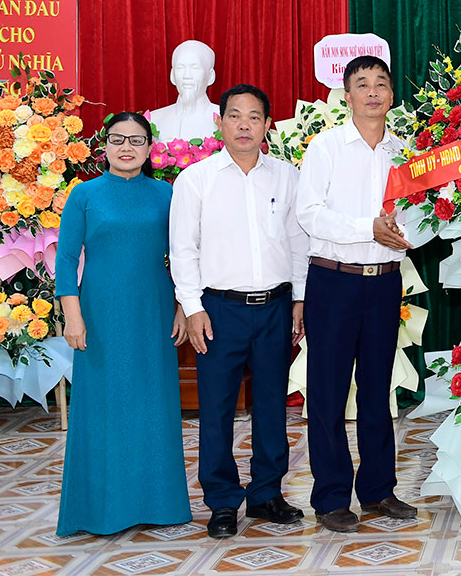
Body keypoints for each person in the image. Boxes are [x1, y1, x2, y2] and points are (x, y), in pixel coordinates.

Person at [169, 84, 309, 538]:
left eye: (254, 116)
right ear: (221, 122)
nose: (244, 124)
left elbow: (297, 241)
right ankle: (223, 501)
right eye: (235, 115)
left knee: (272, 405)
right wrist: (192, 307)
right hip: (217, 310)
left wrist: (299, 299)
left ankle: (267, 494)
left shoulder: (287, 176)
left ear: (268, 124)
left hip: (274, 307)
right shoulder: (196, 179)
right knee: (216, 408)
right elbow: (183, 249)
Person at [55, 112, 191, 536]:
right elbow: (64, 260)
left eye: (136, 140)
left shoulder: (166, 195)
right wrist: (72, 316)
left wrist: (184, 307)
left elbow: (184, 255)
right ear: (105, 145)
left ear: (150, 147)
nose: (127, 147)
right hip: (99, 316)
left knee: (155, 405)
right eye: (118, 139)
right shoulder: (84, 195)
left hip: (154, 314)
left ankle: (159, 505)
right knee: (103, 409)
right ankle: (99, 509)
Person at [295, 55, 415, 533]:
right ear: (346, 96)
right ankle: (330, 499)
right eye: (361, 84)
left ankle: (379, 491)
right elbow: (310, 213)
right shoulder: (325, 147)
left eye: (380, 84)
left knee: (376, 388)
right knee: (326, 391)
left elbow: (424, 217)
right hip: (334, 280)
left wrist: (402, 235)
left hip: (385, 281)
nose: (371, 92)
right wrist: (368, 228)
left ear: (390, 96)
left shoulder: (405, 152)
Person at [149, 40, 219, 142]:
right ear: (172, 76)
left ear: (211, 76)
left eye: (195, 68)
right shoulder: (153, 119)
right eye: (180, 68)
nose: (187, 76)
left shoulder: (227, 120)